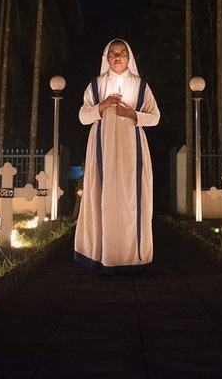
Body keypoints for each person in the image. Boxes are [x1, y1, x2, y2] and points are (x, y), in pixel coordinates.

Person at [74, 38, 160, 273]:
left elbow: (155, 117)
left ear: (129, 57)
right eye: (113, 53)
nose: (118, 57)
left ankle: (134, 257)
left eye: (122, 53)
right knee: (104, 198)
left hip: (133, 151)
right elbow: (83, 117)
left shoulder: (140, 85)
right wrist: (102, 106)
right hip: (102, 149)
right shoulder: (96, 85)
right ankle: (103, 255)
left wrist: (134, 114)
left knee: (132, 200)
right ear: (106, 58)